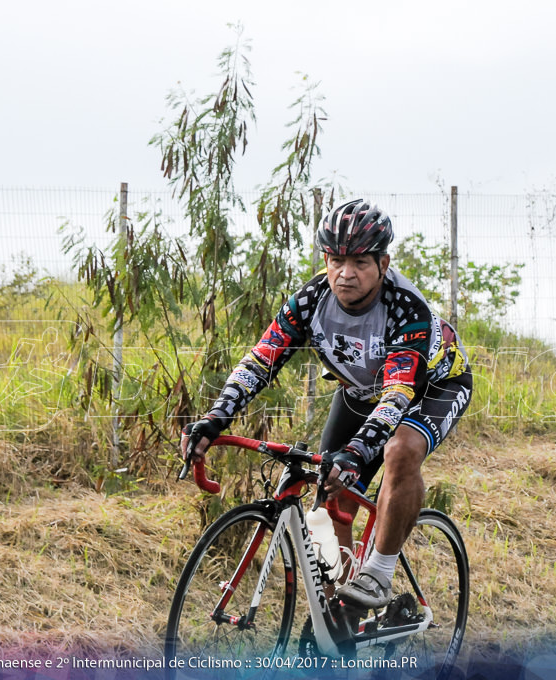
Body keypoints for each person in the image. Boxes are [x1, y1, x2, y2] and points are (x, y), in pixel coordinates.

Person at [182, 198, 472, 610]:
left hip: (431, 389)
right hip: (360, 391)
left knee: (399, 450)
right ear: (325, 258)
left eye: (360, 263)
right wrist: (216, 417)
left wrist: (356, 453)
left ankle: (380, 573)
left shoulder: (409, 311)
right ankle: (340, 616)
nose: (345, 273)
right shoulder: (311, 299)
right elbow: (261, 359)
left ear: (384, 264)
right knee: (331, 500)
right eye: (336, 259)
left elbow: (397, 396)